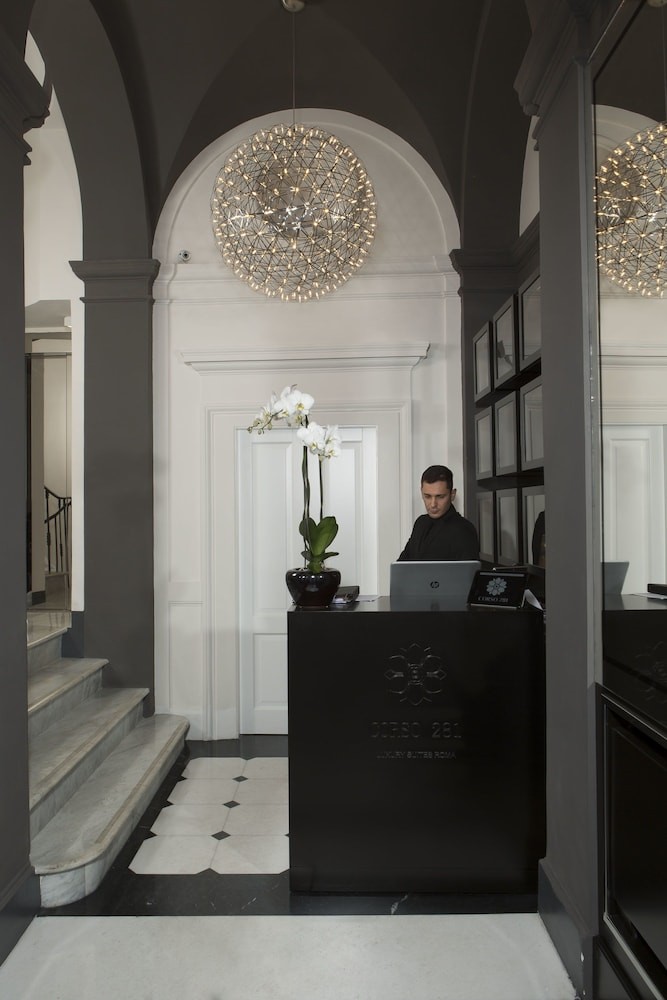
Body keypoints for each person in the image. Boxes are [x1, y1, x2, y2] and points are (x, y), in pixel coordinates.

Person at [398, 465, 479, 561]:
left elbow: (468, 570)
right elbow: (401, 565)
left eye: (440, 497)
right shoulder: (420, 523)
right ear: (421, 492)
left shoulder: (464, 530)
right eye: (427, 496)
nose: (433, 504)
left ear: (452, 495)